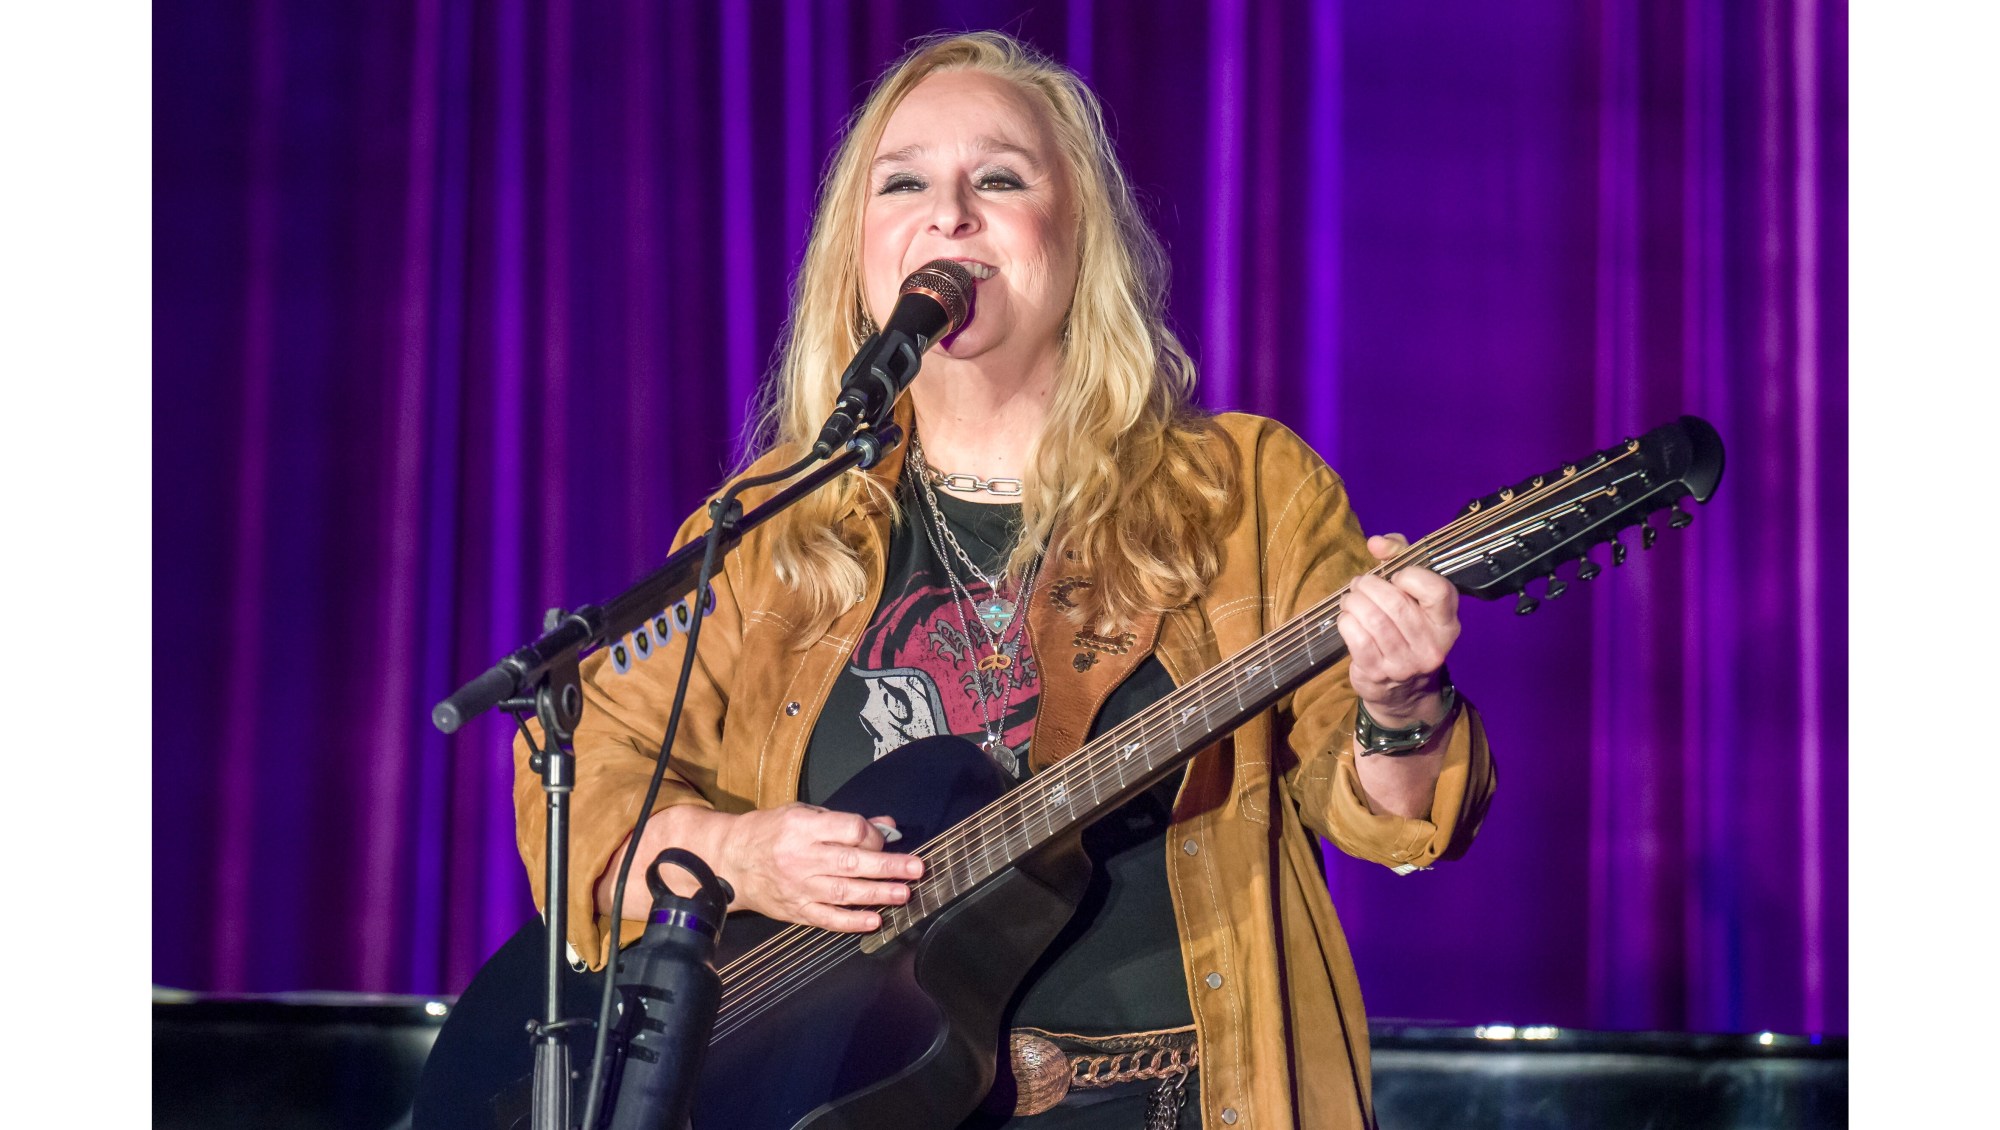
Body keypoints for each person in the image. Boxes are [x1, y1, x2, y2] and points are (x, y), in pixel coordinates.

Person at [515, 30, 1495, 1130]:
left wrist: (1400, 707)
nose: (949, 212)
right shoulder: (769, 529)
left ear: (1077, 240)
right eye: (904, 182)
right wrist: (741, 855)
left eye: (998, 177)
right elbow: (586, 790)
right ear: (858, 250)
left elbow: (1382, 811)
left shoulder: (1242, 492)